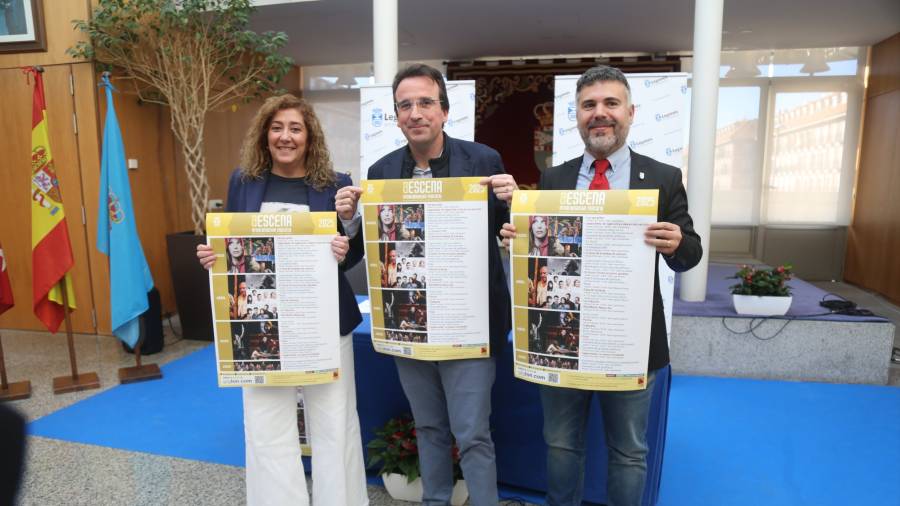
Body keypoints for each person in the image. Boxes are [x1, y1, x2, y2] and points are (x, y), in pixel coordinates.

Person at [500, 65, 702, 506]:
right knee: (560, 444)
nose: (600, 113)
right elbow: (542, 258)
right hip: (561, 336)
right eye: (589, 105)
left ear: (630, 111)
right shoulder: (553, 178)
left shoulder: (663, 178)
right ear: (576, 115)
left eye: (611, 103)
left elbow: (691, 255)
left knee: (629, 451)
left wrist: (677, 241)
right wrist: (517, 240)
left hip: (630, 342)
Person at [334, 63, 516, 506]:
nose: (416, 113)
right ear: (397, 116)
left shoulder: (483, 160)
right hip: (409, 323)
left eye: (425, 103)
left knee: (472, 433)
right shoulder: (380, 173)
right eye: (405, 105)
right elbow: (359, 257)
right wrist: (347, 221)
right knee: (429, 428)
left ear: (444, 111)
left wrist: (518, 206)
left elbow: (509, 233)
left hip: (469, 322)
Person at [196, 94, 368, 506]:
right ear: (265, 135)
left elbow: (354, 256)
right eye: (277, 128)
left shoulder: (336, 183)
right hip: (259, 325)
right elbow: (233, 245)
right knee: (265, 426)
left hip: (323, 324)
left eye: (295, 128)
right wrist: (212, 255)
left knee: (334, 424)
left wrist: (347, 233)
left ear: (310, 138)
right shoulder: (244, 180)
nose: (285, 137)